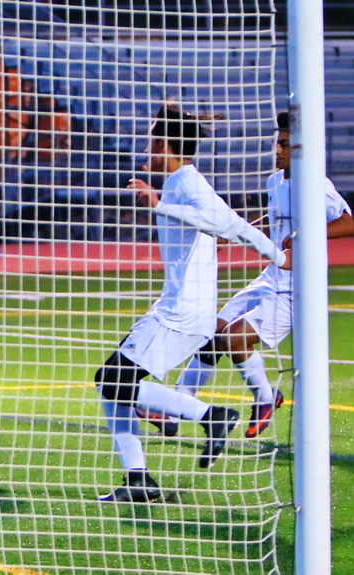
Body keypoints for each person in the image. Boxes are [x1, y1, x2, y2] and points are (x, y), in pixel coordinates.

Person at [95, 104, 292, 503]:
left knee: (110, 380)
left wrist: (160, 206)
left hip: (183, 313)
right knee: (112, 387)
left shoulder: (186, 182)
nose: (148, 146)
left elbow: (224, 222)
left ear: (164, 143)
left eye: (153, 138)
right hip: (178, 308)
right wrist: (277, 255)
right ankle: (138, 480)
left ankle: (210, 416)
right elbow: (234, 227)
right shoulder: (177, 181)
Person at [143, 111, 354, 439]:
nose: (278, 151)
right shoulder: (275, 181)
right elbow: (273, 219)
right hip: (272, 277)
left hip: (298, 286)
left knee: (235, 337)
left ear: (300, 148)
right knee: (212, 330)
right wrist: (236, 232)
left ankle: (266, 398)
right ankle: (180, 402)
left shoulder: (315, 183)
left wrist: (309, 232)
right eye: (277, 144)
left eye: (284, 145)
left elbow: (348, 223)